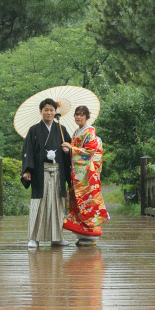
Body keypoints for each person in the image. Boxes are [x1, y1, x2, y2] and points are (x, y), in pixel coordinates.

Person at [21, 98, 71, 250]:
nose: (49, 112)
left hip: (58, 171)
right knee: (39, 203)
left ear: (56, 112)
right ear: (41, 111)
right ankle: (34, 238)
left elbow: (70, 148)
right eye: (46, 110)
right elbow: (27, 151)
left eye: (51, 110)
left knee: (57, 203)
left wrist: (68, 150)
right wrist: (27, 170)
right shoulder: (34, 130)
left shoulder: (61, 130)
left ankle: (57, 237)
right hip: (40, 172)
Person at [62, 105, 109, 246]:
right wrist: (69, 150)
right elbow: (75, 152)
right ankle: (82, 234)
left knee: (89, 203)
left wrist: (72, 149)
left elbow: (90, 151)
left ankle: (92, 235)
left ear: (87, 117)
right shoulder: (77, 132)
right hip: (78, 175)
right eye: (76, 114)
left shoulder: (90, 132)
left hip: (88, 175)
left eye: (82, 115)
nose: (78, 117)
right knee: (78, 202)